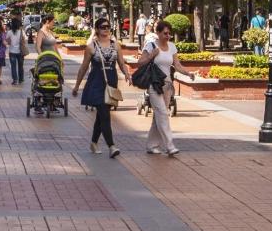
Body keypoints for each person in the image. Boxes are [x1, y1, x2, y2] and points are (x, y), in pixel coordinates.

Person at [71, 17, 132, 158]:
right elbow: (84, 67)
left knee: (101, 115)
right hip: (96, 83)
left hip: (111, 82)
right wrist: (76, 86)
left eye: (108, 27)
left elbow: (121, 63)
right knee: (105, 115)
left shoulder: (116, 45)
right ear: (97, 29)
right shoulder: (91, 46)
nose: (106, 29)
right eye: (103, 27)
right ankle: (112, 146)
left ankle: (93, 142)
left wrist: (127, 74)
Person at [138, 19, 196, 157]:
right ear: (157, 33)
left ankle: (151, 145)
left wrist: (188, 73)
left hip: (167, 86)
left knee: (158, 116)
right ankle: (170, 145)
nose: (167, 36)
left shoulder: (172, 46)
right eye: (165, 33)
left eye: (169, 33)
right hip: (154, 85)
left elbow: (177, 64)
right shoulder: (150, 45)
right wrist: (151, 55)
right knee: (163, 114)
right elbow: (140, 63)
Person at [3, 17, 27, 85]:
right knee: (21, 66)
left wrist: (7, 45)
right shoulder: (22, 31)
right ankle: (21, 79)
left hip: (12, 51)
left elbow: (5, 40)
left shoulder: (9, 32)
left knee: (13, 66)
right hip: (20, 51)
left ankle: (15, 80)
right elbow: (25, 41)